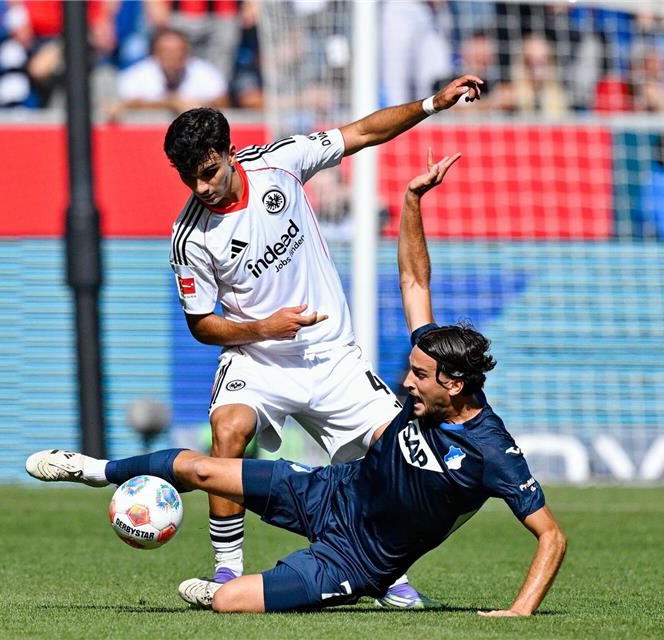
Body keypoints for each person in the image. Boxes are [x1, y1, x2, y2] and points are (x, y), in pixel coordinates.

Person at [25, 150, 567, 615]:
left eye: (419, 376)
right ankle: (93, 469)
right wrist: (412, 200)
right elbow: (413, 279)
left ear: (453, 384)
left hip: (358, 559)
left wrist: (519, 612)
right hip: (328, 492)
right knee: (202, 465)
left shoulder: (492, 448)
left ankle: (273, 587)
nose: (405, 380)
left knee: (228, 605)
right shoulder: (431, 374)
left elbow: (551, 536)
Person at [161, 75, 485, 608]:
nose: (201, 189)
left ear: (228, 154)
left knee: (398, 450)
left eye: (208, 173)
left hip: (332, 356)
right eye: (189, 180)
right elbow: (202, 325)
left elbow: (361, 133)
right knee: (227, 428)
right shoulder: (190, 237)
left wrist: (432, 104)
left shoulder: (282, 162)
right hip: (259, 358)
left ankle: (384, 568)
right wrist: (263, 328)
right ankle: (225, 572)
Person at [108, 27, 228, 119]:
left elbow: (223, 101)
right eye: (167, 51)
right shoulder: (137, 74)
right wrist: (172, 103)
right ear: (155, 53)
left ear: (186, 53)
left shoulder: (203, 72)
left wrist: (200, 106)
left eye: (178, 51)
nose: (172, 57)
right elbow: (125, 103)